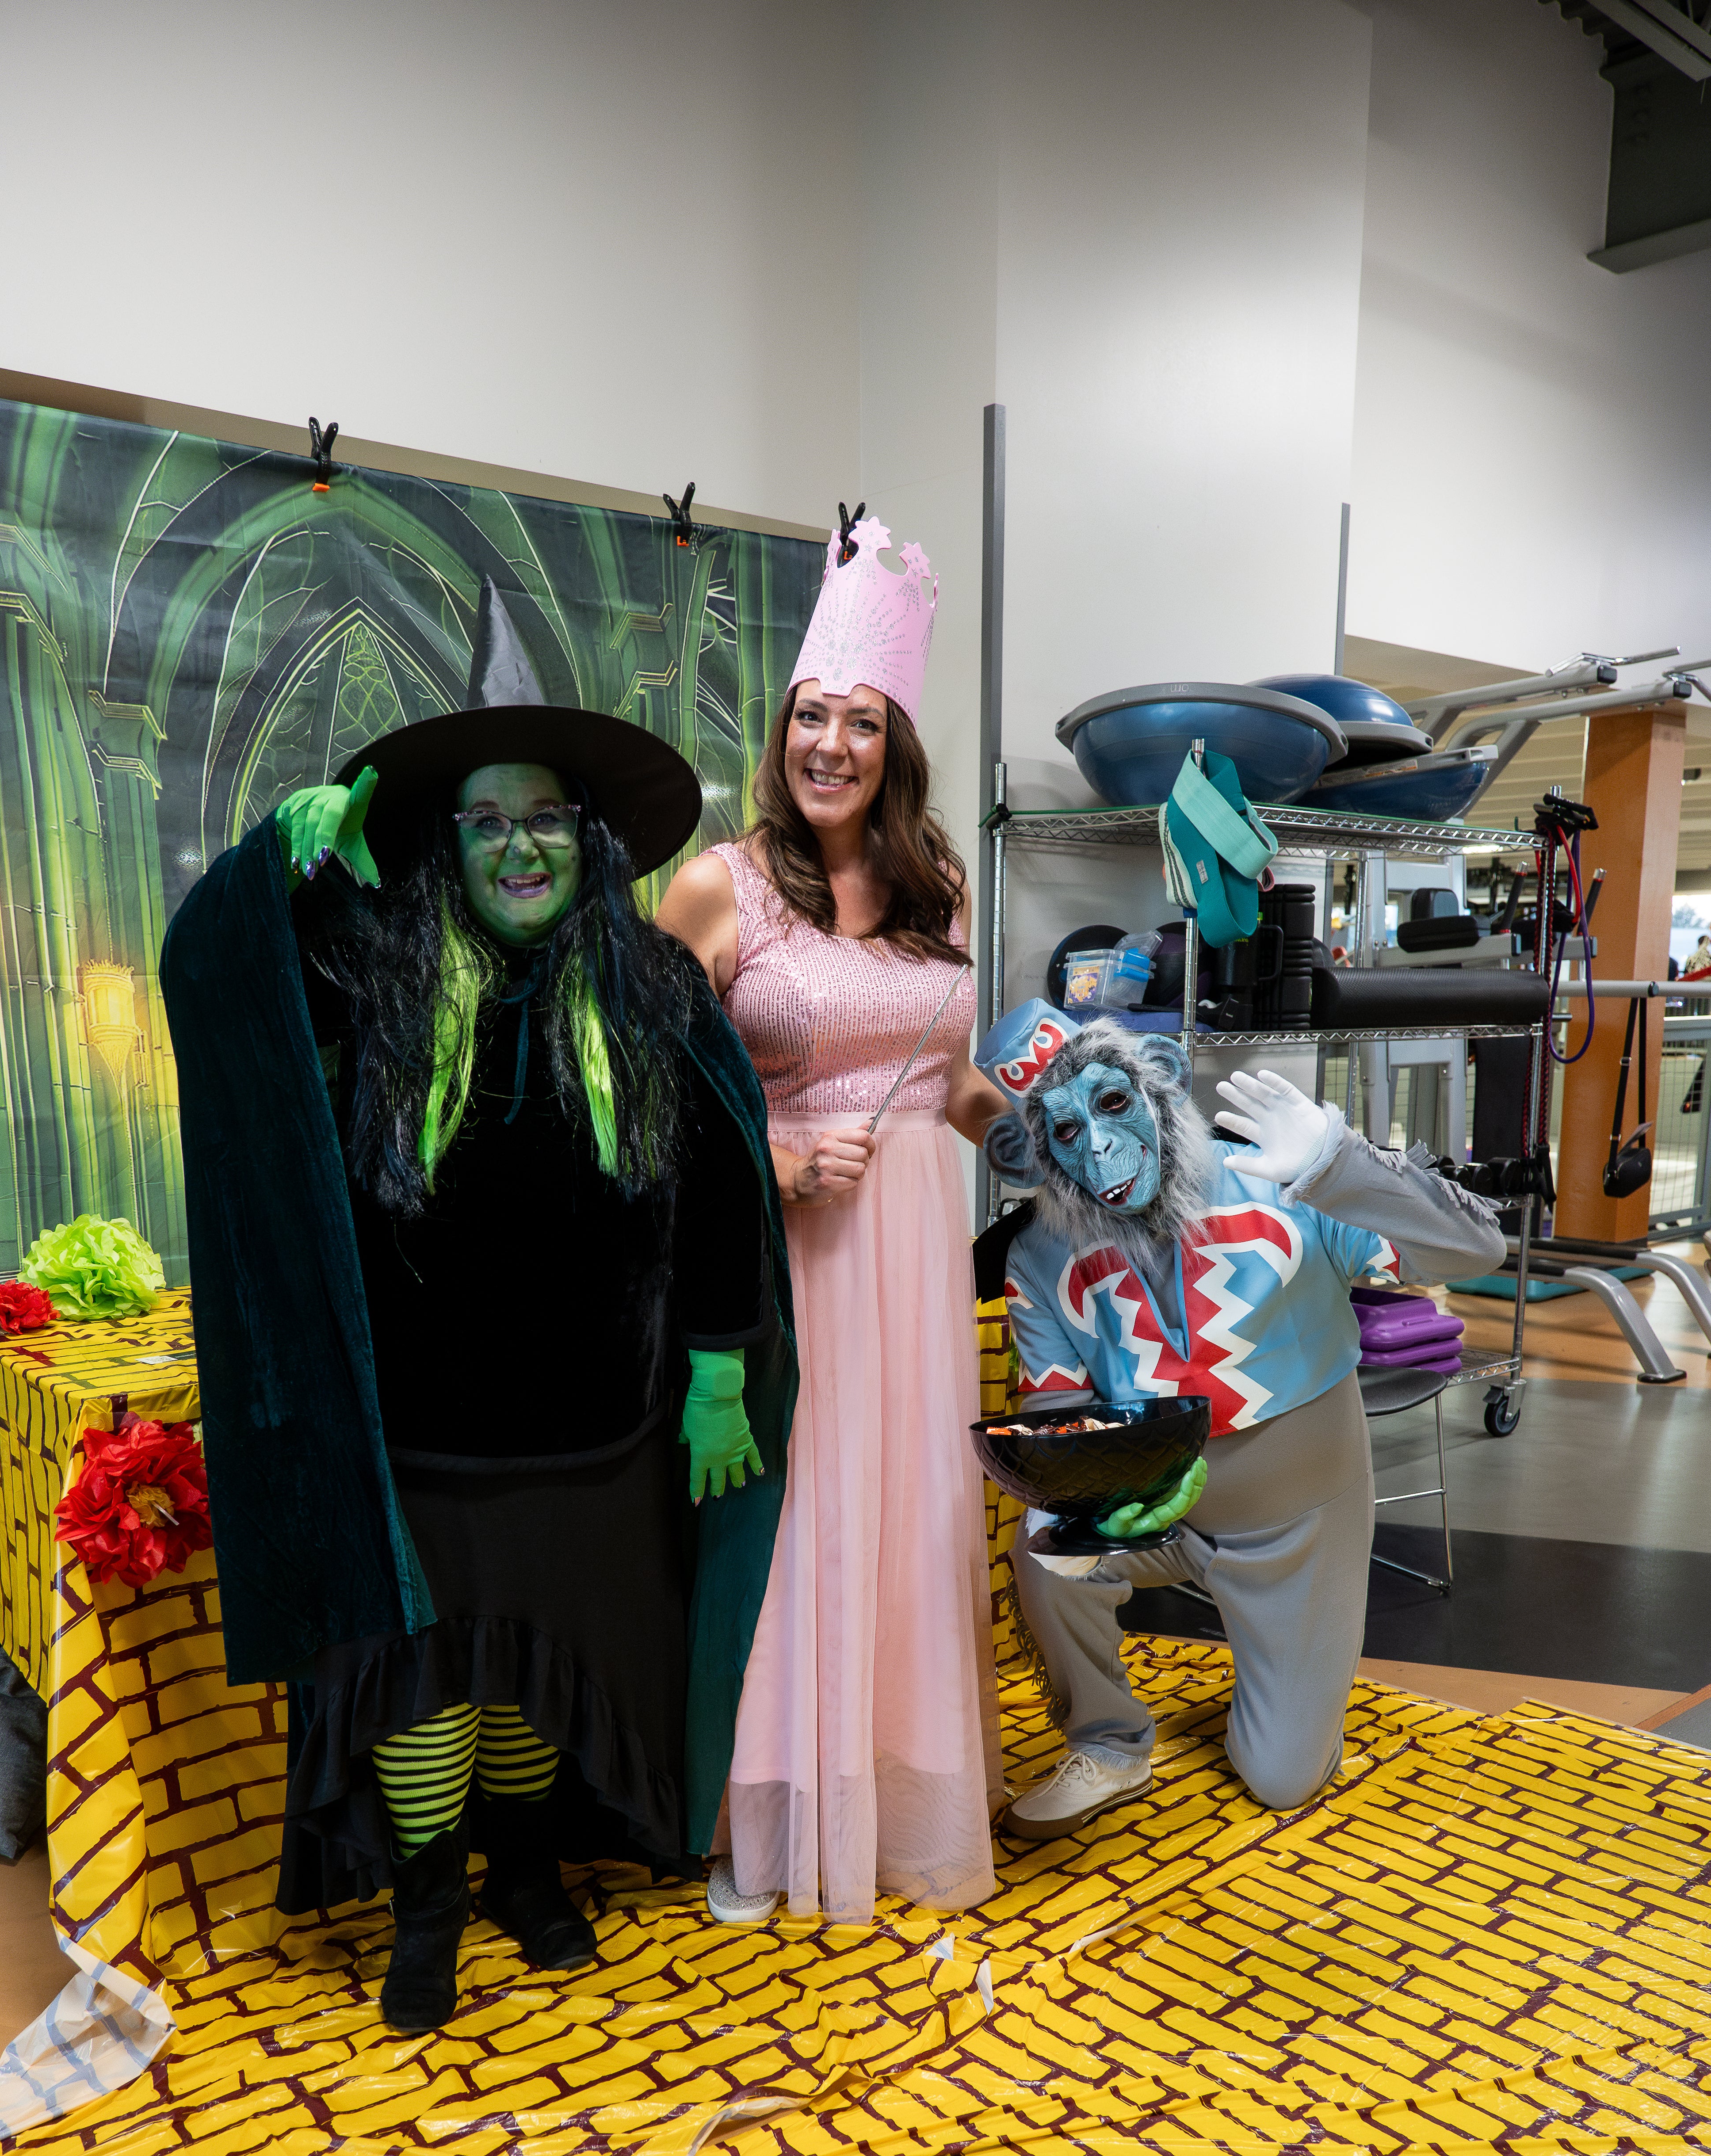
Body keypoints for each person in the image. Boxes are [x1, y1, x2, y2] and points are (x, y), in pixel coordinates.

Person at [161, 584, 795, 2032]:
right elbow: (214, 988)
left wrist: (716, 1366)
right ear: (451, 842)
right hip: (423, 1423)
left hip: (594, 1424)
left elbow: (715, 1185)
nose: (519, 844)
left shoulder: (649, 986)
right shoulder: (374, 971)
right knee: (428, 1676)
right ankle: (429, 1903)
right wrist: (279, 865)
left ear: (588, 839)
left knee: (535, 1660)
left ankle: (527, 1868)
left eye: (545, 818)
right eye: (488, 820)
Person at [659, 515, 1006, 1926]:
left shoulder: (937, 880)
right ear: (782, 729)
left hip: (919, 1244)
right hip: (784, 1254)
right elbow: (658, 1099)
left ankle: (897, 1784)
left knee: (916, 1516)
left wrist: (1043, 1126)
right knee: (799, 1518)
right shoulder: (716, 883)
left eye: (859, 722)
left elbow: (950, 1079)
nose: (830, 746)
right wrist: (782, 1174)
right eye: (811, 717)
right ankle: (781, 1808)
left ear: (894, 739)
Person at [977, 1000, 1504, 1834]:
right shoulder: (1041, 1251)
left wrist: (1341, 1165)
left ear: (1159, 1085)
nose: (1102, 1150)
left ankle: (1293, 1696)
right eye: (1066, 1134)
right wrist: (1089, 1494)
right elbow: (1058, 1407)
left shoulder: (1279, 1179)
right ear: (1033, 1154)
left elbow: (1477, 1253)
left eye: (1113, 1105)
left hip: (1301, 1527)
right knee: (1044, 1543)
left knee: (1282, 1779)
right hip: (1160, 1516)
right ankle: (1109, 1742)